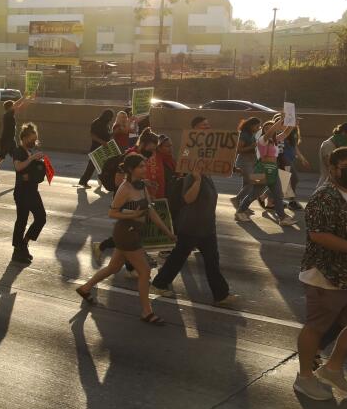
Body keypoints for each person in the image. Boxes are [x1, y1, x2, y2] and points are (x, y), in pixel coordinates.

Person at [293, 146, 347, 400]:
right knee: (316, 328)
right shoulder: (324, 196)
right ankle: (304, 378)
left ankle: (332, 368)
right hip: (326, 275)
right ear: (332, 169)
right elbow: (318, 235)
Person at [76, 154, 176, 324]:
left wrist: (168, 232)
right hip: (126, 233)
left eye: (145, 166)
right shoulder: (125, 188)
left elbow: (150, 210)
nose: (145, 169)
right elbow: (112, 212)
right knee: (144, 271)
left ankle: (85, 288)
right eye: (141, 167)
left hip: (134, 232)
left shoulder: (141, 185)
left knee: (114, 267)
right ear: (131, 169)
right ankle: (147, 312)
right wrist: (134, 214)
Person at [149, 118, 235, 306]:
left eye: (209, 125)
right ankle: (220, 295)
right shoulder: (191, 166)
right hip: (192, 225)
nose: (209, 128)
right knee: (187, 257)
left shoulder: (206, 163)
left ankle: (221, 295)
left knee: (201, 259)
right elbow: (187, 198)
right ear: (195, 131)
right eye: (204, 126)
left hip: (205, 225)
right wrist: (196, 180)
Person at [11, 123, 48, 264]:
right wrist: (32, 159)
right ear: (24, 138)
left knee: (41, 218)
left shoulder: (29, 153)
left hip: (32, 191)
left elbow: (29, 170)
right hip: (22, 192)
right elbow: (18, 166)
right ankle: (18, 250)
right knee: (22, 220)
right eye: (32, 140)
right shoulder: (18, 151)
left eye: (35, 140)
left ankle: (24, 243)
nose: (34, 142)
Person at [0, 94, 32, 182]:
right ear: (10, 107)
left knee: (16, 157)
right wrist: (24, 96)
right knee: (1, 157)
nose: (15, 108)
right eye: (13, 106)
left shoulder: (9, 115)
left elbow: (21, 107)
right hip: (6, 140)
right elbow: (17, 105)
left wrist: (29, 98)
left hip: (10, 140)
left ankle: (21, 175)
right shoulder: (8, 114)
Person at [77, 109, 116, 190]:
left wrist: (114, 133)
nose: (111, 119)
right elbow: (92, 135)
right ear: (106, 116)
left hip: (104, 149)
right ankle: (83, 181)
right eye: (110, 117)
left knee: (102, 166)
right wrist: (102, 142)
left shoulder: (107, 124)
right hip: (96, 148)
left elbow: (107, 136)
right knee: (91, 166)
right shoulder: (97, 122)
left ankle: (87, 181)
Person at [317, 123, 347, 191]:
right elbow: (330, 164)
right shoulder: (327, 145)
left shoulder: (340, 146)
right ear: (343, 133)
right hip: (328, 186)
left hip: (341, 185)